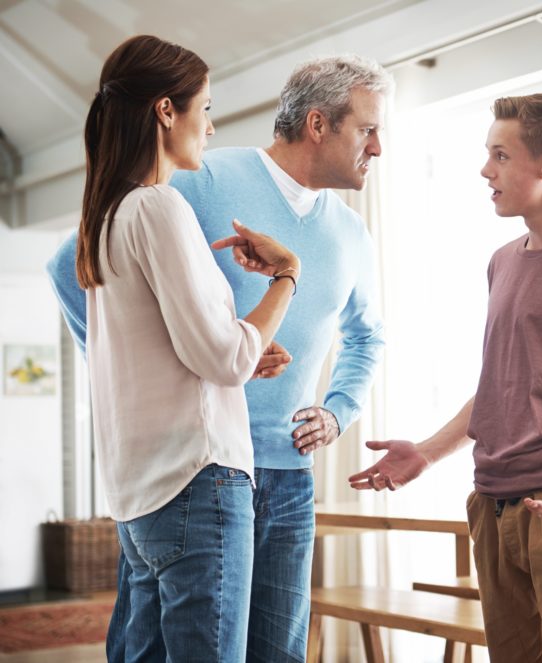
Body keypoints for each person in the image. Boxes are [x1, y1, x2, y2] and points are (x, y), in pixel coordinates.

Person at [48, 53, 391, 662]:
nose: (379, 147)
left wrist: (337, 412)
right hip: (192, 474)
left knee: (273, 654)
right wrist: (144, 375)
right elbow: (76, 272)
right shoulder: (196, 179)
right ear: (318, 124)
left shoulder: (353, 234)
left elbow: (366, 339)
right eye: (368, 129)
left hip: (286, 476)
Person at [349, 93, 542, 662]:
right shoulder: (504, 260)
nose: (487, 171)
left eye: (501, 156)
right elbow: (501, 387)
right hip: (493, 503)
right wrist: (429, 454)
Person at [69, 34, 301, 662]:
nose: (212, 123)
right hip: (199, 483)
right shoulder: (158, 208)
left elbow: (181, 358)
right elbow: (222, 357)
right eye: (205, 107)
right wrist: (286, 277)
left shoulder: (106, 218)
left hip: (141, 497)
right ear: (165, 111)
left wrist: (244, 355)